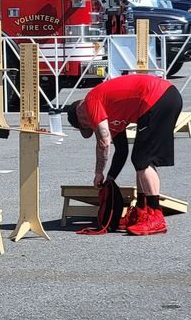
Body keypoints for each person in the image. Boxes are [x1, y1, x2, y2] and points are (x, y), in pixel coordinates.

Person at [62, 73, 183, 236]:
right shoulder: (110, 112)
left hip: (157, 98)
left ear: (80, 117)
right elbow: (121, 150)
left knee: (143, 160)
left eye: (87, 126)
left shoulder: (91, 102)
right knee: (140, 159)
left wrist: (98, 173)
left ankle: (155, 216)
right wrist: (110, 178)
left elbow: (104, 142)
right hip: (162, 98)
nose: (91, 127)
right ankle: (142, 210)